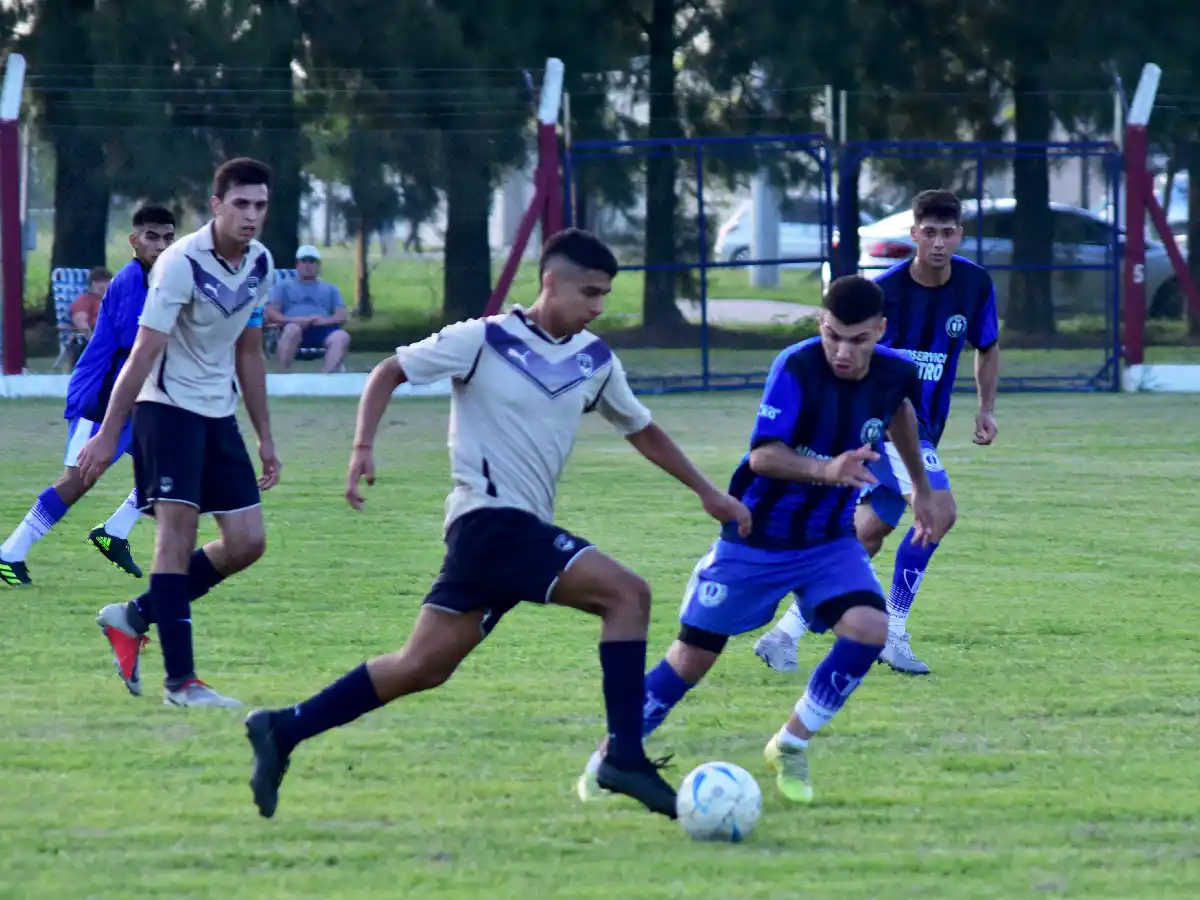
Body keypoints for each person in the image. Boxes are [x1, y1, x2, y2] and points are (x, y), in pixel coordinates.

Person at [241, 228, 751, 822]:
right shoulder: (482, 340)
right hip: (488, 521)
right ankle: (625, 757)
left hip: (514, 533)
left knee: (421, 665)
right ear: (550, 282)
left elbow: (641, 429)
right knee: (628, 595)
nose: (597, 306)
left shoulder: (595, 359)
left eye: (605, 295)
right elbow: (389, 371)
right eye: (589, 292)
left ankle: (283, 728)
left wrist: (707, 491)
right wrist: (361, 447)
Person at [577, 275, 956, 806]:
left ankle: (791, 743)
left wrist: (921, 487)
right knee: (691, 660)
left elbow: (899, 414)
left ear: (881, 331)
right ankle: (611, 755)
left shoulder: (896, 371)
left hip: (828, 541)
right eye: (833, 335)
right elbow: (763, 456)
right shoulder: (797, 366)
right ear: (821, 325)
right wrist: (827, 470)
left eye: (859, 340)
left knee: (872, 628)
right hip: (756, 538)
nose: (843, 351)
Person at [754, 189, 999, 675]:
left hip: (924, 430)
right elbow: (838, 350)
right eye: (928, 232)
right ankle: (895, 632)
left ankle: (783, 635)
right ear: (913, 234)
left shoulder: (974, 284)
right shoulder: (883, 294)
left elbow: (987, 346)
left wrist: (986, 409)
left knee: (864, 536)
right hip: (880, 429)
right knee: (939, 512)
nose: (937, 243)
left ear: (959, 236)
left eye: (947, 233)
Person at [78, 158, 282, 707]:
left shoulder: (261, 264)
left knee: (247, 543)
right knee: (175, 540)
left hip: (218, 414)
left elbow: (249, 351)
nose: (251, 215)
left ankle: (135, 616)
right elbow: (143, 351)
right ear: (217, 206)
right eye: (240, 204)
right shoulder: (179, 263)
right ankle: (181, 683)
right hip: (165, 412)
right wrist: (108, 431)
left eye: (260, 205)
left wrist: (264, 434)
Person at [0, 206, 176, 587]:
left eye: (167, 237)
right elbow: (137, 346)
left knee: (172, 462)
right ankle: (9, 553)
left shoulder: (159, 279)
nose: (160, 245)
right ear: (134, 240)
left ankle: (114, 532)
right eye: (151, 236)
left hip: (132, 398)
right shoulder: (133, 281)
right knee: (78, 480)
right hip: (100, 396)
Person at [266, 244, 351, 373]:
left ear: (318, 266)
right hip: (294, 328)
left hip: (324, 330)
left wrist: (324, 321)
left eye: (312, 261)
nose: (307, 265)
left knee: (341, 336)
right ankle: (282, 378)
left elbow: (342, 315)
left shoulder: (330, 289)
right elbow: (271, 313)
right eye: (304, 261)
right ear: (297, 265)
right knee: (291, 330)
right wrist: (296, 320)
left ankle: (325, 379)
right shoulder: (283, 287)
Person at [70, 267, 112, 339]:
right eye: (105, 281)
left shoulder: (109, 301)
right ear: (94, 283)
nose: (108, 285)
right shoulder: (85, 300)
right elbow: (80, 321)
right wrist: (93, 341)